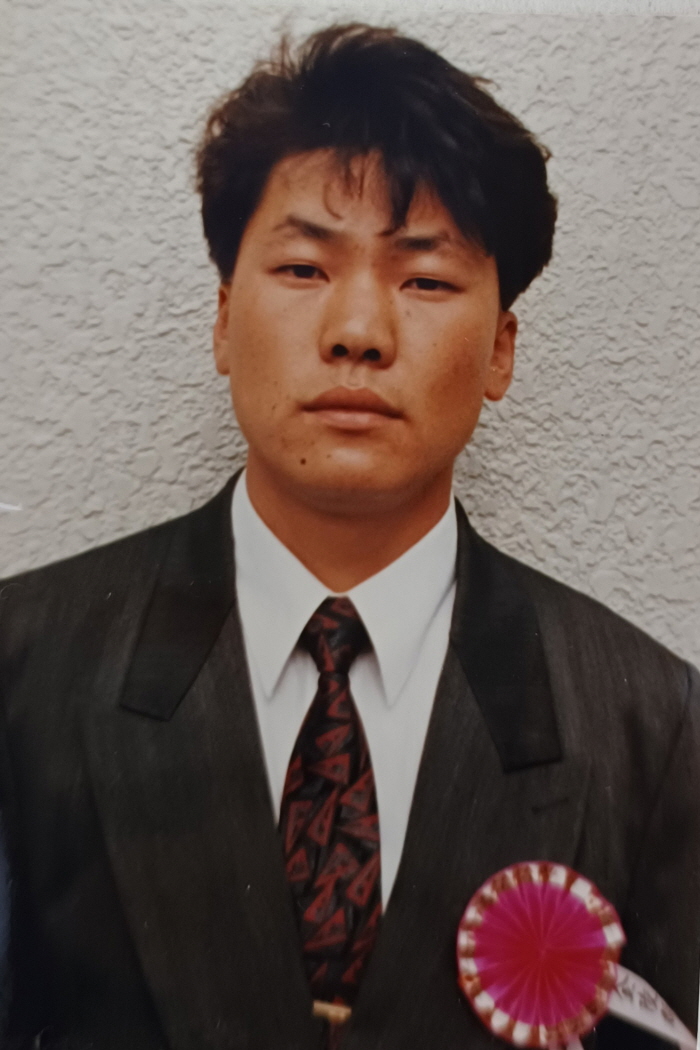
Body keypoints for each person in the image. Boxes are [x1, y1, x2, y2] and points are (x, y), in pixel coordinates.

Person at [0, 23, 698, 1050]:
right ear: (222, 319)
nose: (359, 332)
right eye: (302, 268)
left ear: (500, 351)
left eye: (426, 280)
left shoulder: (653, 724)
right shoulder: (23, 669)